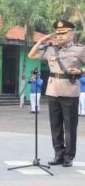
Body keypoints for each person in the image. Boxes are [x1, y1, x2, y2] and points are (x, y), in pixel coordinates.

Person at [28, 20, 85, 167]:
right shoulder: (50, 49)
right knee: (56, 126)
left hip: (70, 91)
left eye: (63, 33)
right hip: (53, 91)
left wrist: (81, 71)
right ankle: (58, 154)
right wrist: (40, 41)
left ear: (71, 35)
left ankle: (69, 156)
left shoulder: (79, 50)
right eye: (58, 34)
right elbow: (31, 55)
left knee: (70, 126)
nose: (59, 36)